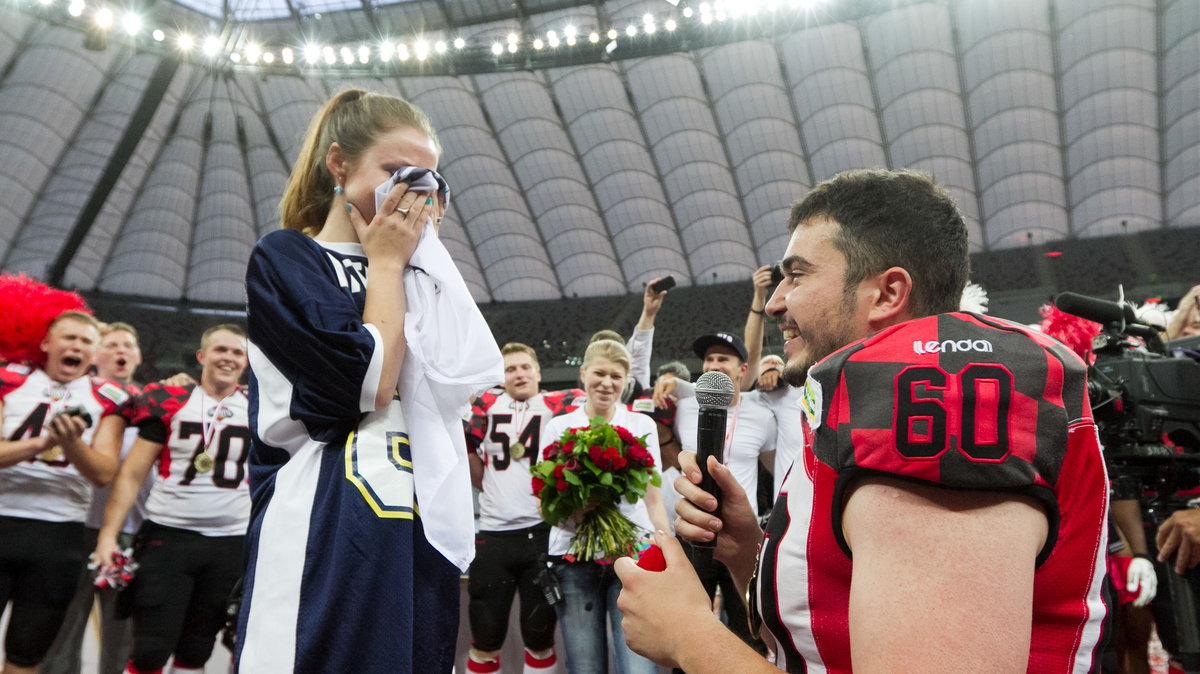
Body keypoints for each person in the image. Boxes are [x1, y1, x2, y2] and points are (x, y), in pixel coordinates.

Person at [614, 169, 1109, 672]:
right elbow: (832, 624)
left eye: (798, 274)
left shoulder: (931, 393)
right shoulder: (861, 390)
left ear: (888, 293)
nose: (776, 301)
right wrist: (750, 552)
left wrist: (689, 636)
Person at [238, 88, 501, 673]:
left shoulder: (427, 276)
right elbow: (367, 383)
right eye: (396, 171)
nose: (416, 192)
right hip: (326, 516)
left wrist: (410, 266)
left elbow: (468, 375)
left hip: (420, 520)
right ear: (339, 163)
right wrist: (383, 264)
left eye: (430, 180)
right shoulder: (287, 258)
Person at [90, 324, 249, 674]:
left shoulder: (258, 407)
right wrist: (108, 535)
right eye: (221, 349)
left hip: (230, 542)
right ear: (202, 356)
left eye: (237, 352)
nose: (228, 357)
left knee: (197, 650)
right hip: (169, 536)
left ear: (247, 360)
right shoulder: (170, 399)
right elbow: (131, 475)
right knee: (149, 649)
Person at [0, 311, 129, 674]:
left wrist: (71, 444)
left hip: (60, 535)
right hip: (2, 517)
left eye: (86, 341)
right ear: (46, 344)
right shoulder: (9, 381)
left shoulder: (108, 397)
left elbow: (103, 472)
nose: (76, 346)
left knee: (27, 655)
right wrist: (43, 442)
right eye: (68, 338)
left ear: (95, 352)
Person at [539, 339, 669, 674]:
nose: (607, 382)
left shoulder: (642, 426)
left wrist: (667, 552)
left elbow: (653, 497)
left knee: (639, 667)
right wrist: (578, 508)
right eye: (599, 373)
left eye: (616, 375)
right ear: (583, 373)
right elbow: (546, 503)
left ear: (626, 380)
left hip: (633, 556)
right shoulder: (558, 427)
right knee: (585, 667)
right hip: (573, 558)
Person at [464, 342, 580, 674]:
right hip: (495, 536)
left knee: (540, 639)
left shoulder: (561, 404)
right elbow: (470, 456)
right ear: (501, 377)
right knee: (484, 640)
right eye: (511, 368)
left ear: (538, 372)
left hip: (543, 536)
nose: (519, 373)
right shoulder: (484, 406)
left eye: (525, 367)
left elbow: (609, 390)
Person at [43, 322, 146, 674]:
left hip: (132, 531)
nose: (121, 351)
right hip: (75, 527)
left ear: (139, 356)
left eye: (128, 345)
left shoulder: (156, 406)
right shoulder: (75, 397)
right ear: (95, 354)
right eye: (112, 344)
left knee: (123, 635)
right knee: (62, 627)